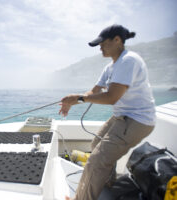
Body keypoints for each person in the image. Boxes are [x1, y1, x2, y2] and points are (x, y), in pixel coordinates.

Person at [59, 24, 156, 200]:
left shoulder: (129, 60)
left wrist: (80, 98)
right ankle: (106, 185)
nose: (100, 48)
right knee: (96, 144)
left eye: (103, 43)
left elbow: (112, 97)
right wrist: (73, 102)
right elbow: (94, 91)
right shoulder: (110, 67)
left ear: (117, 40)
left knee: (96, 161)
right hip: (123, 116)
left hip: (138, 119)